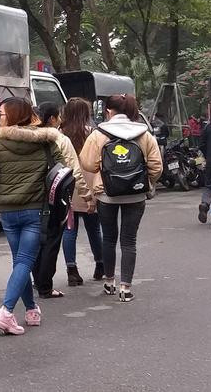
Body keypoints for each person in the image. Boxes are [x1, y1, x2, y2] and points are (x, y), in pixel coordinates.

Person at [0, 97, 66, 335]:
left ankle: (30, 309)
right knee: (25, 261)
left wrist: (3, 190)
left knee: (21, 260)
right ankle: (6, 311)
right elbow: (61, 169)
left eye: (1, 113)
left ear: (13, 115)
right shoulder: (46, 142)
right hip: (34, 209)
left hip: (8, 211)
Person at [79, 94, 163, 303]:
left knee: (109, 238)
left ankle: (109, 282)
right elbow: (156, 166)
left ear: (108, 111)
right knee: (129, 240)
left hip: (107, 195)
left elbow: (87, 163)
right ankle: (126, 287)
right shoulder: (144, 134)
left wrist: (103, 172)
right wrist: (146, 183)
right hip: (135, 195)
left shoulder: (99, 134)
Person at [31, 102, 89, 299]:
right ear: (52, 119)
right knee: (51, 240)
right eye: (58, 116)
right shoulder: (60, 140)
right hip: (54, 196)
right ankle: (45, 285)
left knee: (34, 239)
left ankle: (36, 279)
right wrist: (86, 195)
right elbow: (74, 169)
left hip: (30, 197)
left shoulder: (25, 138)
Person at [59, 98, 104, 285]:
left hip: (68, 187)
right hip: (90, 187)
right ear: (86, 114)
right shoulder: (92, 134)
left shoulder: (59, 135)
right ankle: (100, 264)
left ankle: (72, 269)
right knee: (94, 229)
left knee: (69, 230)